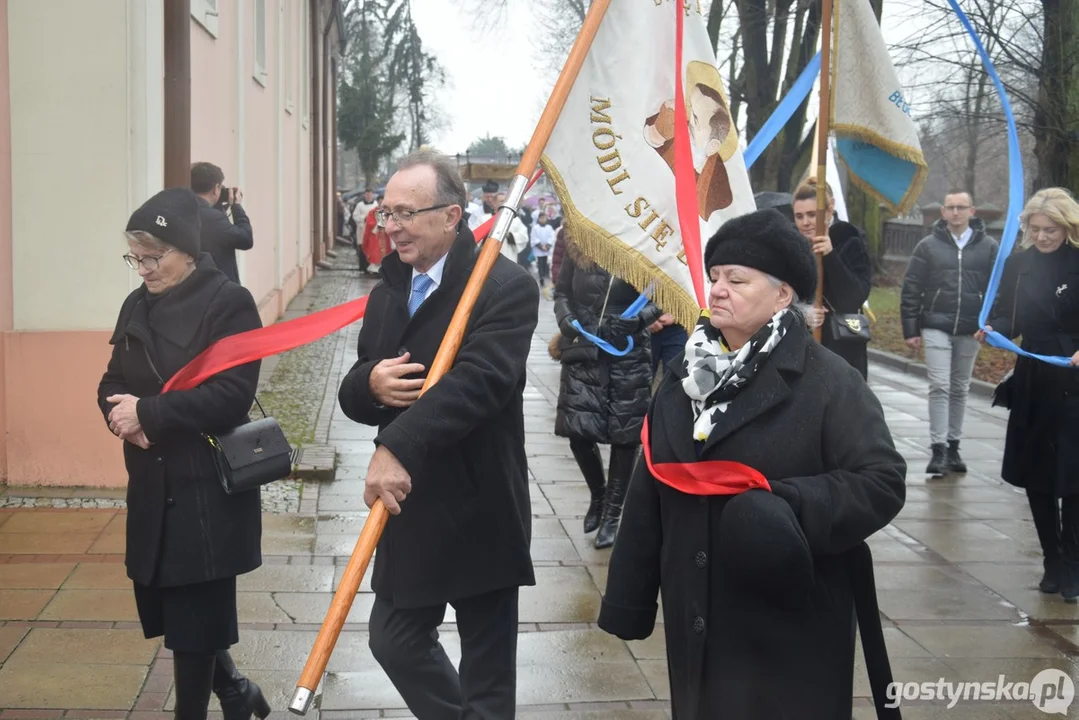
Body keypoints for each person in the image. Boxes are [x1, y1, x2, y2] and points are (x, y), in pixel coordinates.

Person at [598, 209, 906, 719]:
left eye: (736, 280)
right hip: (694, 612)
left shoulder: (829, 380)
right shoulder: (682, 377)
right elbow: (650, 487)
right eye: (715, 277)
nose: (717, 289)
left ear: (783, 294)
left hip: (788, 621)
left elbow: (882, 482)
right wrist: (628, 599)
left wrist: (787, 507)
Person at [337, 149, 539, 718]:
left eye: (405, 213)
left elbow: (481, 383)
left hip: (480, 505)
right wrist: (371, 385)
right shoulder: (388, 289)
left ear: (451, 216)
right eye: (386, 213)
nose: (390, 226)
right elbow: (356, 385)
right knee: (394, 641)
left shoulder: (503, 288)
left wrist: (396, 444)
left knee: (488, 679)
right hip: (412, 508)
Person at [97, 188, 268, 720]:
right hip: (152, 483)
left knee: (193, 629)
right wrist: (119, 418)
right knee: (181, 614)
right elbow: (112, 381)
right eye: (136, 256)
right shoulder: (136, 303)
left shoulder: (228, 302)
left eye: (154, 256)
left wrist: (148, 416)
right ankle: (239, 694)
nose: (143, 268)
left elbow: (230, 395)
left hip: (204, 491)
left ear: (188, 251)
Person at [981, 188, 1079, 602]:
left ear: (1068, 226)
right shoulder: (1018, 264)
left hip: (1075, 375)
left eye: (1051, 229)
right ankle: (1051, 561)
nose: (1042, 237)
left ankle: (1074, 564)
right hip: (1035, 377)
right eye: (1035, 229)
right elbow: (1010, 313)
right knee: (1038, 474)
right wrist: (993, 329)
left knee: (1074, 476)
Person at [552, 230, 661, 548]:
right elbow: (561, 293)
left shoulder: (645, 244)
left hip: (629, 351)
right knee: (576, 431)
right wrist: (567, 319)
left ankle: (613, 514)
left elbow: (663, 295)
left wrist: (639, 319)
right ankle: (598, 496)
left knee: (625, 435)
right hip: (585, 346)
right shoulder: (578, 241)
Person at [901, 190, 998, 476]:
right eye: (950, 207)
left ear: (972, 211)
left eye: (961, 207)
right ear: (942, 212)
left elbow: (997, 290)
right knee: (940, 385)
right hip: (935, 325)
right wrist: (911, 328)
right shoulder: (927, 246)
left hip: (971, 327)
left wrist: (991, 324)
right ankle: (938, 449)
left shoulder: (988, 247)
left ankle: (954, 446)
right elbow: (912, 288)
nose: (956, 212)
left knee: (960, 387)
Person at [791, 179, 873, 378]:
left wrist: (830, 255)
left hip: (842, 352)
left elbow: (853, 298)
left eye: (812, 214)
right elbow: (777, 298)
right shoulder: (791, 247)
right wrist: (803, 313)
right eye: (799, 216)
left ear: (829, 211)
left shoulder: (850, 242)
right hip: (802, 351)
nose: (805, 222)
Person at [190, 162, 254, 285]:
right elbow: (246, 239)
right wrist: (236, 207)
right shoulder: (214, 218)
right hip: (217, 288)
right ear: (216, 188)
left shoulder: (186, 209)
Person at [531, 212, 556, 292]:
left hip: (547, 249)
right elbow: (534, 237)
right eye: (541, 218)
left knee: (546, 263)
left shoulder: (549, 227)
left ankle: (546, 276)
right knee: (540, 263)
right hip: (539, 249)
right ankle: (541, 277)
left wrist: (547, 245)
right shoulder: (535, 228)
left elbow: (552, 237)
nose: (543, 219)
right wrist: (541, 246)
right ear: (539, 218)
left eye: (544, 218)